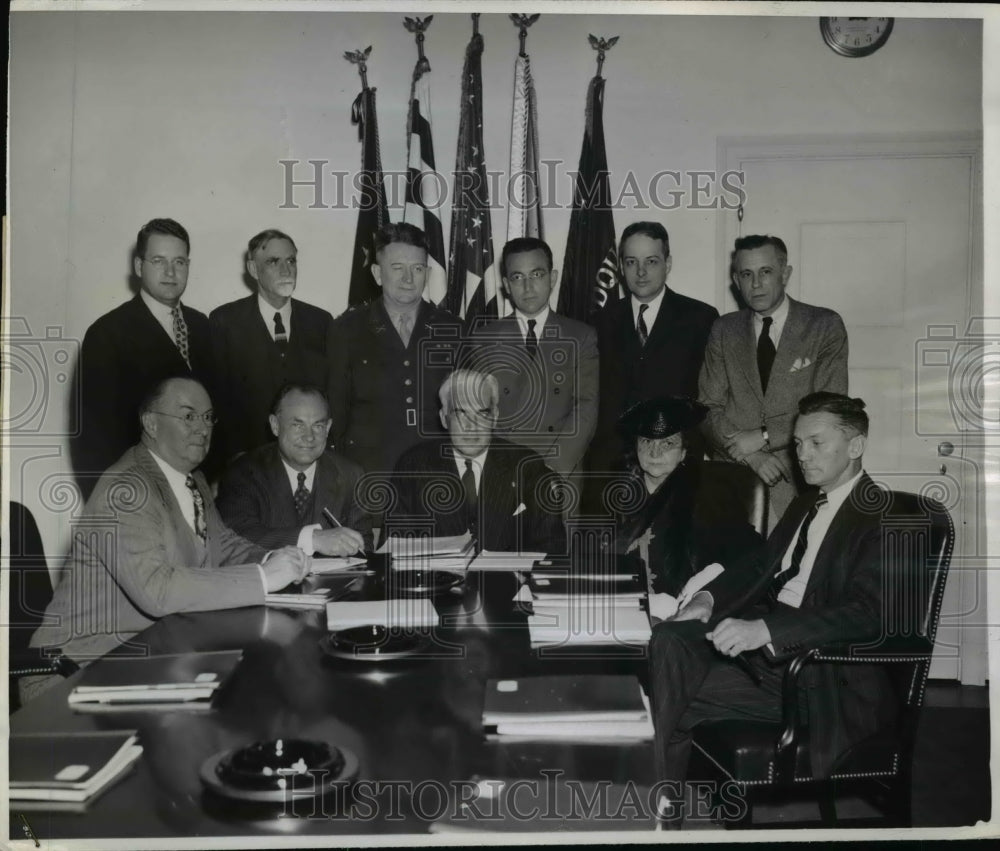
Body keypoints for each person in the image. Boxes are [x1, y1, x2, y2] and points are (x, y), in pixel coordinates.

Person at [649, 393, 894, 825]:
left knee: (671, 698)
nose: (802, 456)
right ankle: (664, 815)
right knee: (669, 639)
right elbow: (760, 566)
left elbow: (868, 613)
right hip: (771, 667)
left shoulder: (881, 517)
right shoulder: (806, 503)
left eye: (816, 443)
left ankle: (661, 815)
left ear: (855, 446)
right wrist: (707, 599)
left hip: (822, 677)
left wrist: (767, 630)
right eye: (797, 444)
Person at [26, 377, 310, 698]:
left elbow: (223, 543)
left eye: (208, 417)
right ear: (151, 423)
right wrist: (263, 578)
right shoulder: (126, 488)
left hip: (151, 654)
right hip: (76, 671)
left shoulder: (193, 480)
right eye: (188, 416)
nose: (202, 428)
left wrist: (271, 558)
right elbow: (156, 589)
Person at [698, 234, 848, 529]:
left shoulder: (824, 325)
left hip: (799, 480)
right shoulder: (723, 329)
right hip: (735, 480)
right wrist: (752, 457)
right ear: (735, 280)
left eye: (765, 272)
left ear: (785, 274)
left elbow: (829, 410)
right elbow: (707, 407)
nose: (755, 284)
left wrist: (765, 436)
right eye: (746, 274)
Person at [72, 218, 212, 496]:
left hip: (201, 494)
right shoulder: (107, 333)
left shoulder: (204, 326)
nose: (171, 272)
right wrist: (115, 502)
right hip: (139, 495)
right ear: (139, 266)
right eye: (159, 261)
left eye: (179, 262)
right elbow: (92, 438)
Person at [326, 223, 462, 476]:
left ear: (428, 273)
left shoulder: (454, 330)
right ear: (377, 274)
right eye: (397, 268)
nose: (408, 279)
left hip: (437, 473)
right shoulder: (346, 330)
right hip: (368, 475)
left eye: (417, 269)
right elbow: (337, 415)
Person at [388, 369, 566, 554]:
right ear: (444, 418)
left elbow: (551, 550)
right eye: (461, 413)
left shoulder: (528, 466)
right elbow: (395, 549)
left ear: (495, 416)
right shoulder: (412, 467)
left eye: (481, 414)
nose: (472, 427)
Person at [592, 221, 718, 475]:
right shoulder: (601, 320)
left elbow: (709, 397)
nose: (640, 272)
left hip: (676, 461)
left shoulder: (700, 318)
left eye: (651, 261)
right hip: (613, 464)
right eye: (631, 262)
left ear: (667, 263)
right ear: (620, 267)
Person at [466, 237, 598, 477]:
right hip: (503, 472)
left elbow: (586, 408)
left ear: (553, 278)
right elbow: (479, 413)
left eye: (537, 275)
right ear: (506, 284)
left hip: (559, 472)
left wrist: (553, 469)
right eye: (518, 277)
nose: (527, 287)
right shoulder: (484, 339)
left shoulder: (580, 337)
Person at [613, 397, 762, 609]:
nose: (655, 453)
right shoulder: (614, 494)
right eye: (647, 441)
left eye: (668, 443)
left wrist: (706, 585)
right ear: (635, 447)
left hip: (679, 617)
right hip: (621, 610)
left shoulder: (709, 494)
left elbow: (749, 553)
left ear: (684, 450)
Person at [209, 229, 332, 463]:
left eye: (291, 261)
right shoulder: (225, 321)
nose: (285, 270)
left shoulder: (321, 322)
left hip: (309, 460)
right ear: (254, 269)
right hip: (247, 462)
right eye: (273, 262)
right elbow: (218, 401)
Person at [216, 384, 372, 555]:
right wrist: (312, 539)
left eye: (318, 426)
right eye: (298, 425)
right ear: (275, 425)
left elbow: (364, 549)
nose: (309, 437)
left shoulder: (351, 475)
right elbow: (237, 536)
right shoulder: (243, 473)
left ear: (327, 428)